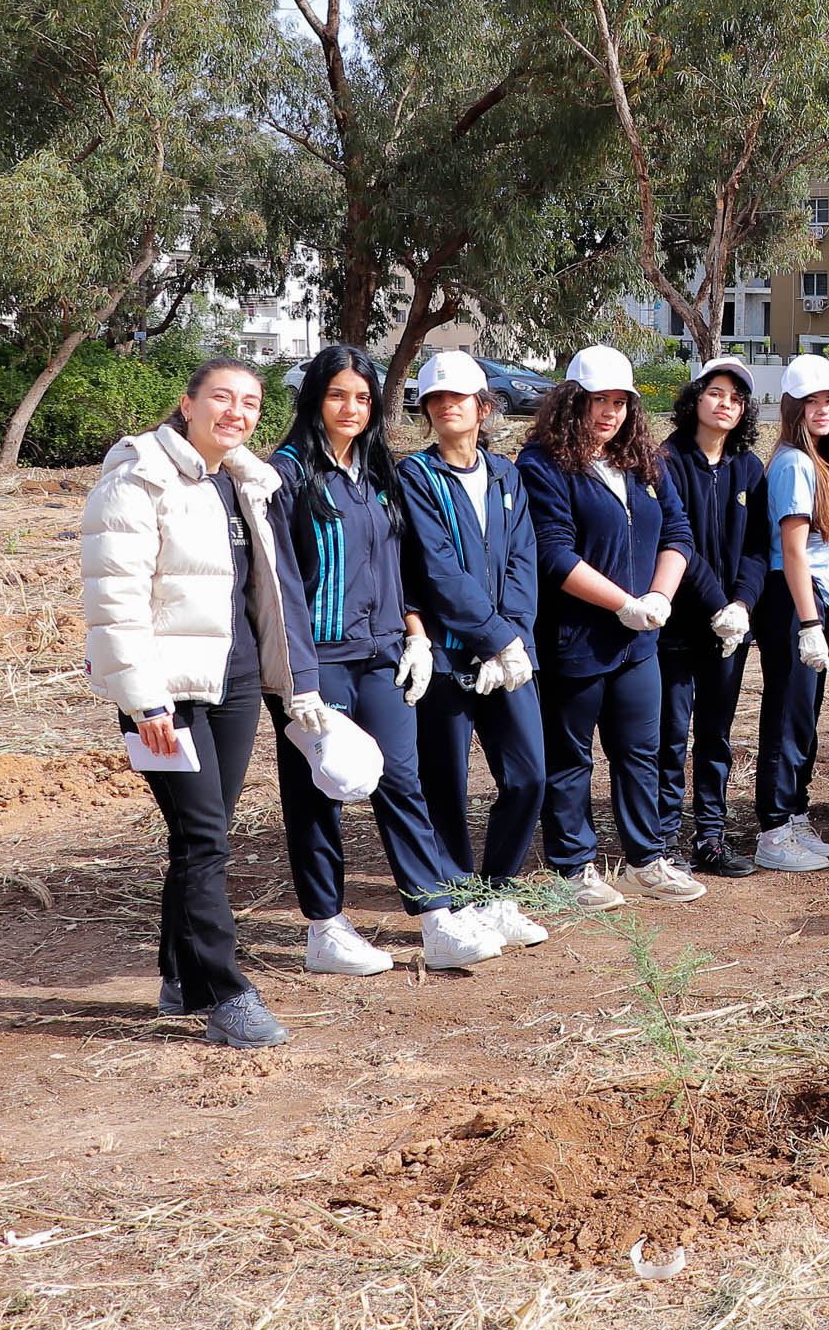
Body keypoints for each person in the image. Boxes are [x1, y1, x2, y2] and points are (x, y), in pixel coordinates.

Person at [81, 359, 323, 1047]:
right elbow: (114, 602)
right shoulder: (138, 479)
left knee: (203, 836)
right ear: (186, 404)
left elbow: (267, 596)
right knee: (203, 840)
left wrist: (291, 680)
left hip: (235, 682)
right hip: (167, 693)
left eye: (249, 402)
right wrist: (144, 701)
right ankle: (226, 992)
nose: (236, 412)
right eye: (221, 397)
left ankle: (181, 977)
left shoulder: (245, 483)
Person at [270, 346, 496, 974]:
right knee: (324, 787)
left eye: (364, 397)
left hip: (382, 653)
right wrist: (297, 679)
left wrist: (415, 634)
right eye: (339, 394)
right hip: (313, 660)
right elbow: (278, 583)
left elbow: (401, 566)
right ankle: (325, 928)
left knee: (401, 778)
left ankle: (435, 919)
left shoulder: (377, 473)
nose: (351, 408)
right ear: (315, 398)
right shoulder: (285, 475)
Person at [519, 345, 704, 909]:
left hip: (637, 640)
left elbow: (678, 533)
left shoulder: (644, 462)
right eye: (598, 401)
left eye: (621, 402)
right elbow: (552, 554)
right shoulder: (542, 465)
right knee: (571, 756)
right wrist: (624, 602)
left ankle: (644, 860)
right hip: (576, 637)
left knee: (639, 750)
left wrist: (658, 596)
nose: (610, 413)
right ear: (572, 402)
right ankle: (572, 866)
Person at [397, 352, 548, 951]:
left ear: (484, 408)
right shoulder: (416, 477)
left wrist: (513, 638)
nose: (448, 406)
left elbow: (523, 561)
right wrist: (494, 638)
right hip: (447, 657)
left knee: (529, 773)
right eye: (437, 399)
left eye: (460, 398)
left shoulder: (507, 475)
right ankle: (460, 900)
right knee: (446, 782)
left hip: (508, 653)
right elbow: (438, 572)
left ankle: (501, 889)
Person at [657, 358, 771, 877]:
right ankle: (661, 842)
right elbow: (675, 538)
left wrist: (742, 605)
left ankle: (710, 834)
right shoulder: (665, 460)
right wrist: (715, 603)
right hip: (679, 621)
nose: (726, 404)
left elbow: (756, 547)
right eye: (716, 393)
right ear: (696, 399)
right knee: (670, 732)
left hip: (732, 629)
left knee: (716, 732)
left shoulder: (749, 467)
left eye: (736, 398)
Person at [754, 354, 829, 872]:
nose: (822, 409)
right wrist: (811, 622)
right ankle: (772, 829)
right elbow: (792, 549)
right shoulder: (794, 462)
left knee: (806, 714)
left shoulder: (823, 460)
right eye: (810, 401)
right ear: (792, 407)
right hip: (796, 600)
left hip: (815, 600)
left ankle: (793, 812)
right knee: (788, 715)